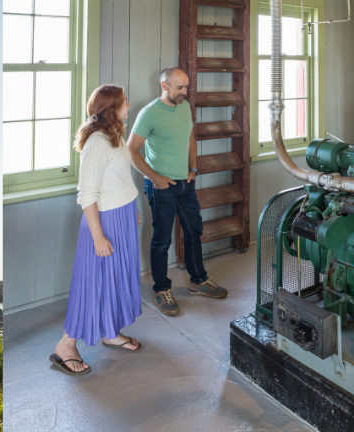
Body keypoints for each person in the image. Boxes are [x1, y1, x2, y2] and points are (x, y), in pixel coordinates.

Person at [50, 85, 147, 376]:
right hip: (103, 223)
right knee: (94, 284)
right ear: (113, 109)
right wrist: (98, 236)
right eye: (125, 101)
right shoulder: (97, 144)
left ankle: (110, 332)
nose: (129, 104)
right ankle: (66, 346)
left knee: (117, 278)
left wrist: (132, 208)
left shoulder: (114, 137)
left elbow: (118, 180)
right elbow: (87, 193)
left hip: (122, 216)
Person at [128, 68, 227, 317]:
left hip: (186, 183)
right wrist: (156, 179)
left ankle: (198, 281)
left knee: (194, 231)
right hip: (161, 186)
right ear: (164, 87)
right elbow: (131, 150)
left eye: (186, 87)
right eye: (180, 88)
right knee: (162, 240)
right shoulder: (149, 113)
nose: (186, 92)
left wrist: (193, 169)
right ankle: (161, 289)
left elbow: (191, 138)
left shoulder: (184, 107)